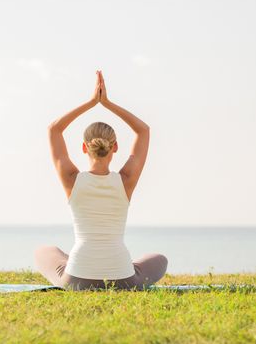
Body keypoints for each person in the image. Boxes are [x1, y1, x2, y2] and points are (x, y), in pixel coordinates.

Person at [34, 70, 168, 291]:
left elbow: (54, 129)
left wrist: (91, 102)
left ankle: (78, 262)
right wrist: (107, 103)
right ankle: (116, 264)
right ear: (115, 147)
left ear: (85, 147)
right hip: (124, 279)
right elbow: (143, 130)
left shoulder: (71, 179)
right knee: (159, 259)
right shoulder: (126, 180)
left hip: (77, 279)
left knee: (43, 252)